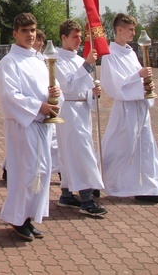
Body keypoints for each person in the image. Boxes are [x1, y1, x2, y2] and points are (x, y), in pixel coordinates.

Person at [0, 13, 62, 241]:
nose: (30, 35)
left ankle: (29, 217)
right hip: (23, 127)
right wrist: (37, 107)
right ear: (15, 34)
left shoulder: (39, 60)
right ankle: (17, 218)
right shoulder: (9, 63)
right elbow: (10, 97)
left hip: (42, 125)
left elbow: (52, 84)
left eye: (33, 30)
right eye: (25, 31)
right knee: (26, 171)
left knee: (41, 171)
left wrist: (55, 95)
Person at [100, 13, 158, 203]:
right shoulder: (109, 56)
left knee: (146, 147)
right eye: (130, 30)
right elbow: (115, 84)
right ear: (119, 30)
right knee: (119, 147)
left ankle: (148, 189)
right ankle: (96, 180)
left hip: (140, 107)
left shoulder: (130, 53)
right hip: (125, 109)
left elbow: (138, 79)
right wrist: (139, 77)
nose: (133, 33)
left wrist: (147, 85)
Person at [55, 20, 107, 216]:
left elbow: (84, 86)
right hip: (68, 110)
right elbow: (68, 86)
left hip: (82, 110)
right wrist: (86, 65)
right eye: (74, 37)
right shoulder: (57, 60)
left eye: (80, 37)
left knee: (73, 153)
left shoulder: (79, 59)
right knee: (80, 154)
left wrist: (94, 92)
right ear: (64, 37)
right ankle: (86, 199)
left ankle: (66, 195)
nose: (78, 41)